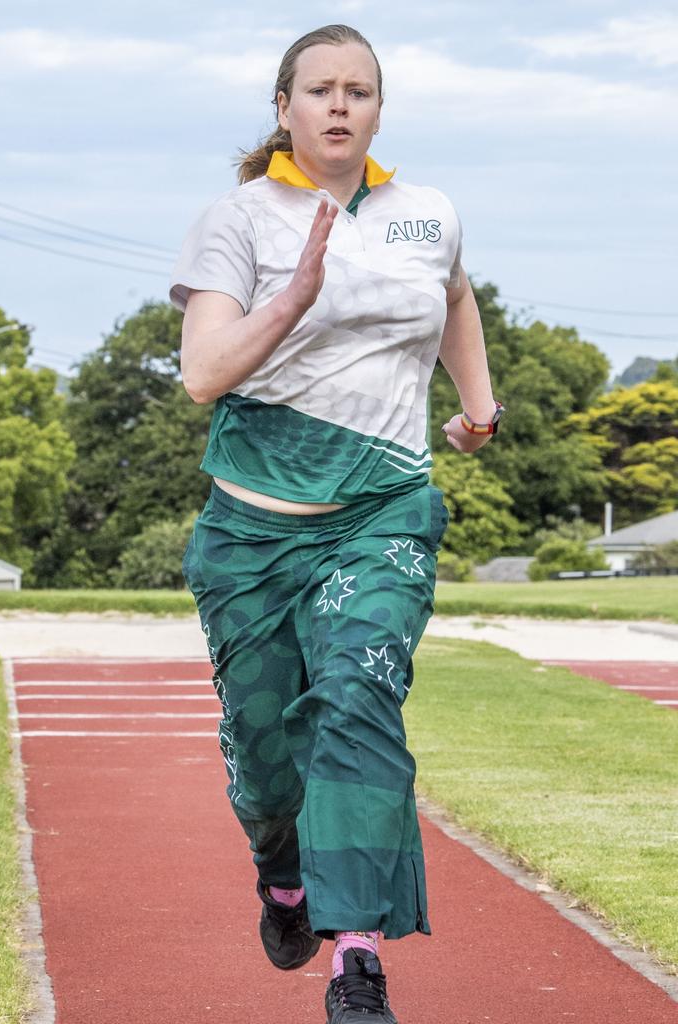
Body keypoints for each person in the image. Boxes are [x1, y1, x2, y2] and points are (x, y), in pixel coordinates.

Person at [169, 23, 502, 1024]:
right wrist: (295, 298)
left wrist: (477, 407)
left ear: (379, 108)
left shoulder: (426, 212)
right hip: (253, 533)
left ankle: (355, 955)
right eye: (321, 89)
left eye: (360, 89)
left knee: (359, 697)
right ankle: (282, 874)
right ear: (285, 107)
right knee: (269, 766)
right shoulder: (238, 219)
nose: (341, 105)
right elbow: (202, 375)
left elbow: (454, 298)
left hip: (386, 510)